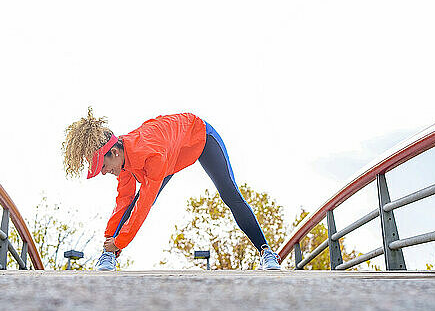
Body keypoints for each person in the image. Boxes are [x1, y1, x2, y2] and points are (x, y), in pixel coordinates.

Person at [62, 108, 281, 271]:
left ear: (115, 154)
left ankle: (267, 252)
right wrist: (110, 241)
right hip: (171, 154)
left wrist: (119, 242)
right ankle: (108, 256)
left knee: (230, 194)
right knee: (129, 202)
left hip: (200, 137)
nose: (103, 172)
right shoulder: (124, 159)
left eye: (102, 166)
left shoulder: (151, 155)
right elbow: (124, 202)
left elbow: (144, 204)